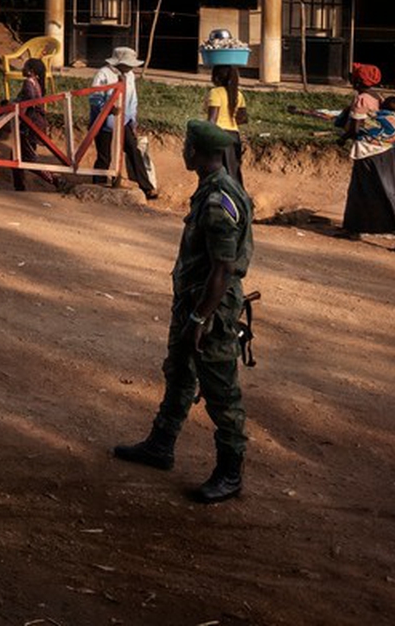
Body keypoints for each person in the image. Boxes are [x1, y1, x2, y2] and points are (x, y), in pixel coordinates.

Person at [113, 119, 254, 504]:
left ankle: (230, 472)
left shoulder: (217, 200)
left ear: (196, 152)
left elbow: (223, 268)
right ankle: (161, 444)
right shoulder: (212, 189)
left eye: (186, 145)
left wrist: (199, 318)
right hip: (194, 303)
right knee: (179, 372)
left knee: (220, 390)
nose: (182, 151)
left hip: (210, 310)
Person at [336, 64, 395, 252]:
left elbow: (355, 128)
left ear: (357, 81)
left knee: (385, 189)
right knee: (359, 187)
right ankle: (352, 227)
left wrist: (342, 138)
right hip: (384, 149)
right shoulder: (377, 96)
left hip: (370, 151)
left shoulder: (361, 100)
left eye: (353, 78)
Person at [91, 47, 159, 201]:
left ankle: (146, 187)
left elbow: (133, 100)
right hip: (104, 122)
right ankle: (98, 185)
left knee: (134, 151)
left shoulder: (130, 76)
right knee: (104, 156)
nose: (131, 67)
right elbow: (94, 97)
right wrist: (108, 108)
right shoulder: (103, 74)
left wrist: (133, 122)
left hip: (124, 122)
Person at [12, 56, 60, 192]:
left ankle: (54, 180)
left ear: (31, 71)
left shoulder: (28, 82)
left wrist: (13, 107)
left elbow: (28, 101)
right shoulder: (37, 83)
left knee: (27, 158)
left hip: (30, 124)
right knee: (15, 157)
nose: (22, 69)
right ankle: (19, 188)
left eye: (25, 67)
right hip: (35, 123)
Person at [204, 64, 248, 187]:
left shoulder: (215, 93)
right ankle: (241, 202)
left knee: (214, 174)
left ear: (216, 77)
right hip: (234, 136)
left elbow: (212, 120)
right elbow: (242, 118)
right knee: (233, 174)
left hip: (219, 136)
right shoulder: (238, 94)